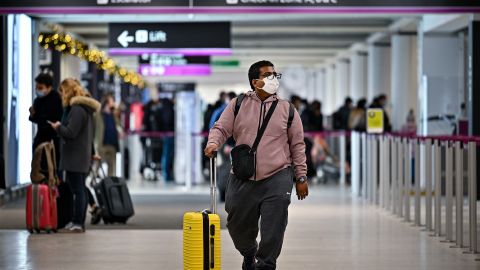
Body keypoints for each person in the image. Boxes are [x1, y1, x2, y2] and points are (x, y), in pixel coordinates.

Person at [204, 60, 308, 270]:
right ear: (256, 82)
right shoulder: (238, 104)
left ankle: (266, 264)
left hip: (278, 176)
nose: (274, 78)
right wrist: (213, 143)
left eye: (275, 75)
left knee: (273, 228)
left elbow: (297, 144)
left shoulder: (287, 109)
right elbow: (221, 128)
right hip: (243, 175)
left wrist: (301, 177)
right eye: (268, 75)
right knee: (236, 225)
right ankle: (249, 252)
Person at [49, 78, 100, 233]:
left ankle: (79, 222)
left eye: (62, 92)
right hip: (77, 155)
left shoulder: (77, 109)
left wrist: (58, 127)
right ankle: (76, 220)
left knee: (78, 190)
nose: (61, 96)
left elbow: (71, 132)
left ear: (68, 91)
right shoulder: (83, 108)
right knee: (77, 188)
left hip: (75, 156)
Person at [29, 73, 63, 159]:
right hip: (40, 139)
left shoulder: (57, 99)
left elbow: (52, 119)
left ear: (49, 87)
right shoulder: (37, 100)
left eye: (40, 88)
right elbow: (38, 119)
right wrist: (33, 115)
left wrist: (36, 116)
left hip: (53, 141)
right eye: (36, 87)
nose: (37, 90)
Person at [94, 93, 122, 177]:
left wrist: (120, 131)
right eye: (111, 100)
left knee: (112, 166)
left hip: (112, 144)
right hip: (102, 144)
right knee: (98, 165)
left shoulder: (113, 114)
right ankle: (91, 180)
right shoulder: (98, 115)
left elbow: (118, 126)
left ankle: (110, 184)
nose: (113, 102)